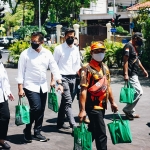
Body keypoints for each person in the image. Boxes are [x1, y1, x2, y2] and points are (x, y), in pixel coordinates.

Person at [17, 32, 63, 143]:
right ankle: (27, 130)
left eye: (35, 41)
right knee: (36, 108)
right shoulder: (25, 54)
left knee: (41, 110)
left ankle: (37, 132)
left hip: (43, 86)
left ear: (42, 42)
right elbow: (20, 72)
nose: (33, 43)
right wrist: (20, 88)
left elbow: (54, 68)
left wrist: (59, 83)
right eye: (31, 41)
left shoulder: (47, 53)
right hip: (30, 86)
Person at [78, 41, 118, 150]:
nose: (100, 53)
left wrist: (113, 102)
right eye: (97, 51)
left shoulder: (105, 68)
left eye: (102, 51)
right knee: (101, 133)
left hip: (102, 105)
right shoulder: (86, 69)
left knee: (93, 130)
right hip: (92, 106)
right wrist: (82, 110)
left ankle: (81, 148)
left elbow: (108, 86)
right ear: (91, 53)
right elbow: (83, 90)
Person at [50, 28, 81, 133]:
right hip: (62, 77)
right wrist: (53, 80)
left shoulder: (76, 49)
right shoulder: (59, 49)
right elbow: (54, 65)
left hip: (73, 78)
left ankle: (59, 122)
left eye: (72, 37)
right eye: (69, 37)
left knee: (66, 102)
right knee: (68, 102)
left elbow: (77, 65)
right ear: (64, 37)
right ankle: (74, 126)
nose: (71, 38)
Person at [122, 32, 148, 120]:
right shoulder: (128, 46)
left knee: (134, 93)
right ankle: (127, 109)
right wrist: (126, 74)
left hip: (135, 73)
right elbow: (125, 61)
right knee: (139, 92)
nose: (140, 42)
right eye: (139, 40)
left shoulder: (133, 47)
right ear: (135, 38)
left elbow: (137, 60)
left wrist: (143, 70)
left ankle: (131, 112)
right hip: (131, 73)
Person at [73, 37, 90, 124]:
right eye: (73, 44)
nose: (75, 46)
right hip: (72, 79)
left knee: (82, 98)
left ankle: (83, 115)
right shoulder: (68, 53)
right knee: (68, 100)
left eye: (76, 44)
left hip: (80, 79)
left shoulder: (79, 53)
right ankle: (62, 119)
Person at [0, 51, 15, 149]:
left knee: (5, 116)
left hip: (1, 96)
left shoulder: (0, 64)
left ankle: (1, 139)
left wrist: (8, 91)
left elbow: (4, 79)